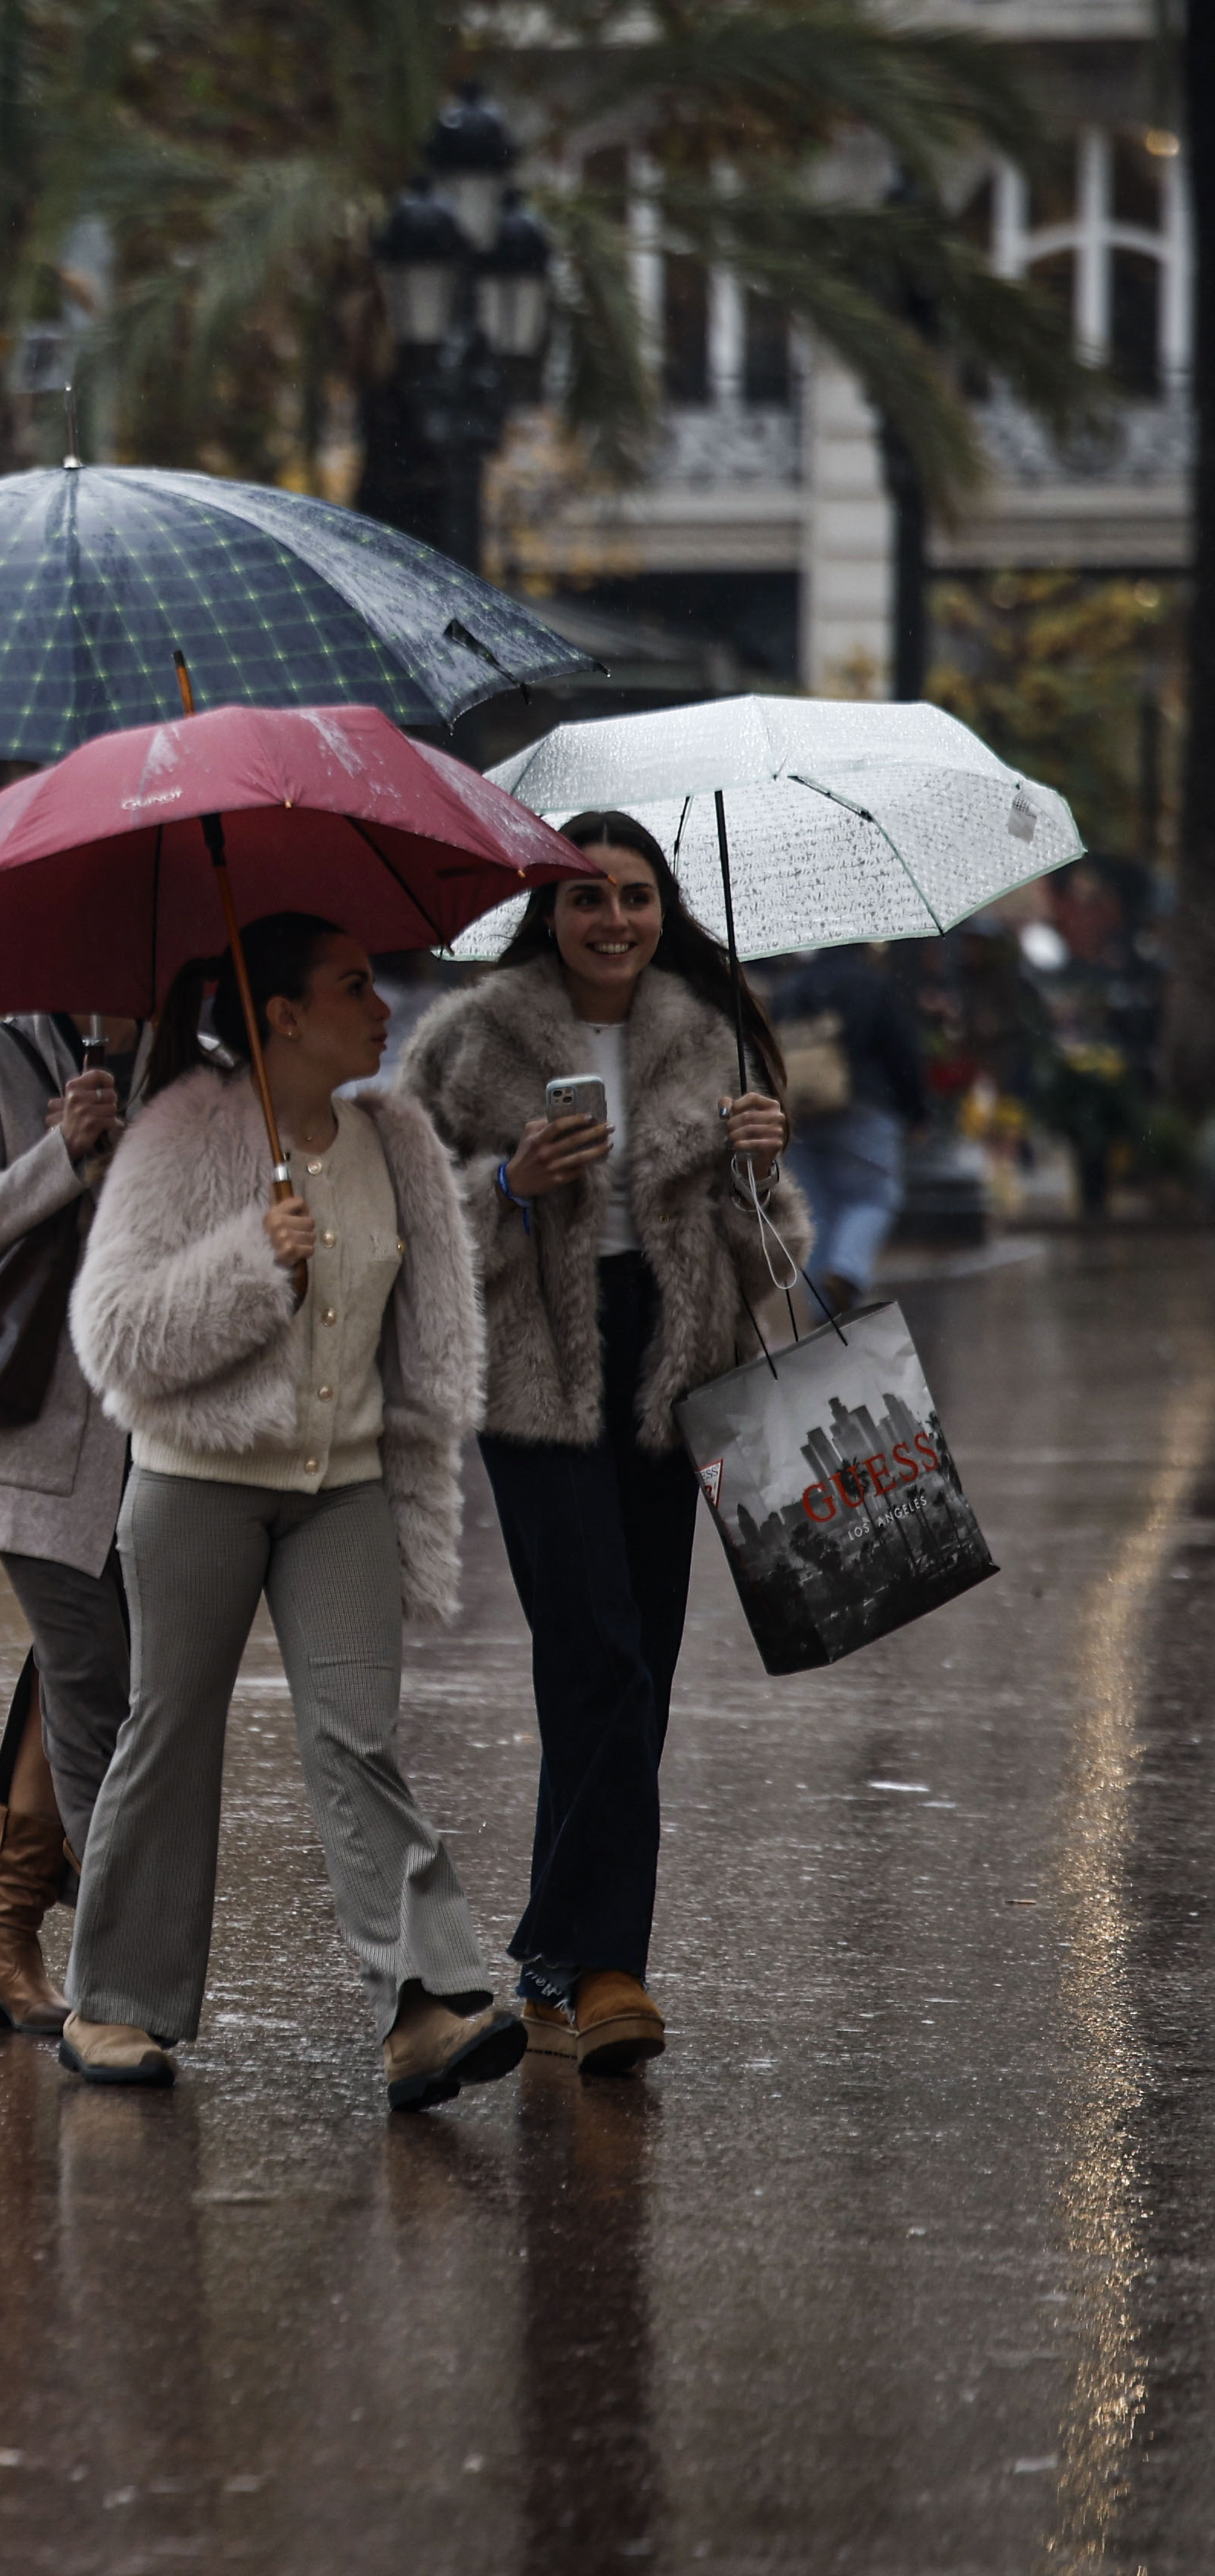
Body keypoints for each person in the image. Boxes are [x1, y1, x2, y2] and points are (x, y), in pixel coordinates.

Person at [59, 916, 523, 2112]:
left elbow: (431, 1326)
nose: (382, 1008)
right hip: (199, 1480)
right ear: (282, 1015)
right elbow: (113, 1334)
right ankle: (115, 2005)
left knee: (357, 1736)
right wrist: (251, 1263)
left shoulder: (395, 1137)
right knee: (170, 1733)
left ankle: (423, 2005)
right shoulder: (182, 1131)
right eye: (353, 986)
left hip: (346, 1486)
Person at [404, 814, 801, 2080]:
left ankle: (556, 1962)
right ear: (549, 912)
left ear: (662, 907)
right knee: (599, 1650)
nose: (612, 919)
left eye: (633, 896)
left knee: (637, 1662)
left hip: (671, 1367)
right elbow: (409, 1231)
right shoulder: (469, 1040)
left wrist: (760, 1170)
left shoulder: (712, 1034)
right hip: (533, 1370)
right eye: (585, 897)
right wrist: (508, 1186)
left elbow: (766, 1252)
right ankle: (604, 1966)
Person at [0, 1010, 135, 2035]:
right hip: (30, 1437)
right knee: (92, 1676)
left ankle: (5, 1939)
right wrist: (63, 1154)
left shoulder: (192, 1061)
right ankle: (120, 1973)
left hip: (155, 1432)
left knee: (83, 1673)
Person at [764, 940, 928, 1304]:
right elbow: (901, 1052)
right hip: (864, 1106)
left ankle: (822, 1308)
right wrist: (916, 1111)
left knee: (815, 1209)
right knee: (872, 1197)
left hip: (800, 1111)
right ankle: (846, 1269)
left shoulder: (789, 988)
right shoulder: (872, 984)